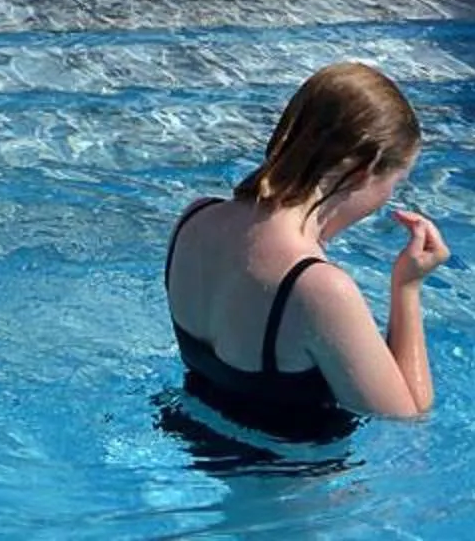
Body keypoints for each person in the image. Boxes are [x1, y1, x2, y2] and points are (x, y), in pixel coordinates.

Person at [161, 62, 448, 444]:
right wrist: (407, 288)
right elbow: (407, 419)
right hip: (297, 496)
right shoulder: (321, 289)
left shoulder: (193, 221)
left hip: (195, 451)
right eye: (394, 183)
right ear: (364, 171)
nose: (387, 200)